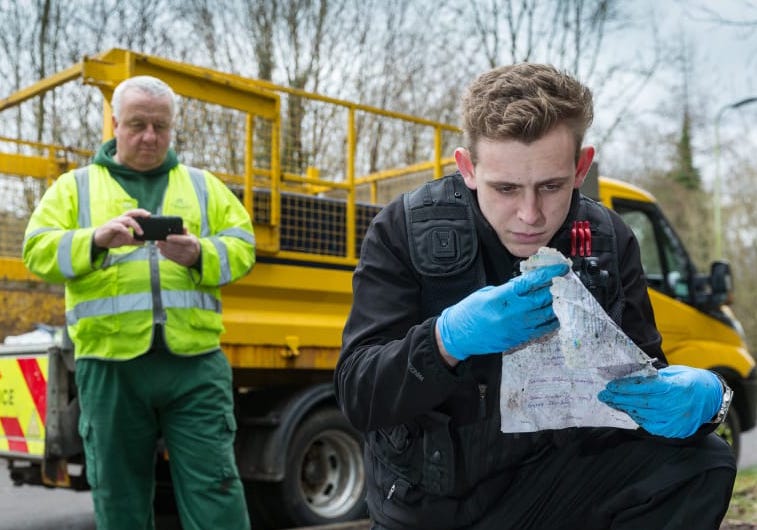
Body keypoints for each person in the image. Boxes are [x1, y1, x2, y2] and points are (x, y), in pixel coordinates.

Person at [335, 63, 736, 530]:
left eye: (551, 186)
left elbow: (644, 383)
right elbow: (357, 395)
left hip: (549, 484)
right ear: (468, 168)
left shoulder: (608, 238)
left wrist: (708, 402)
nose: (530, 214)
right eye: (505, 188)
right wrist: (445, 341)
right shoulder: (403, 229)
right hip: (429, 505)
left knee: (704, 463)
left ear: (580, 168)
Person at [23, 75, 254, 530]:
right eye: (137, 124)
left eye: (160, 126)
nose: (149, 136)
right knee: (119, 496)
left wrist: (201, 254)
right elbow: (36, 250)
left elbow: (244, 246)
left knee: (216, 489)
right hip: (110, 366)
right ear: (114, 124)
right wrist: (95, 239)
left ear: (172, 128)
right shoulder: (75, 187)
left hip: (194, 365)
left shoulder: (204, 186)